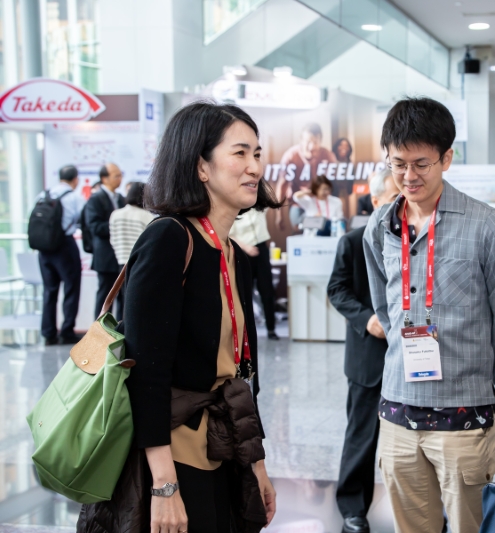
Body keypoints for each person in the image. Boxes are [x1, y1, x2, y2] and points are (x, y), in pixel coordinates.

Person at [79, 102, 279, 533]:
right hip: (175, 456)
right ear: (201, 167)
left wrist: (256, 463)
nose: (254, 167)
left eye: (257, 154)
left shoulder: (232, 254)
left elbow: (241, 375)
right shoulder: (169, 239)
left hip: (224, 447)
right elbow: (145, 373)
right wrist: (164, 485)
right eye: (240, 153)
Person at [363, 97, 495, 533]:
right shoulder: (380, 226)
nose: (408, 176)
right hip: (397, 412)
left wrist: (474, 375)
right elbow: (384, 308)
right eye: (398, 164)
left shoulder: (486, 225)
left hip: (463, 414)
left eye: (421, 164)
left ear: (446, 158)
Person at [327, 170, 400, 533]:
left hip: (412, 359)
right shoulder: (353, 242)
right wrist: (367, 319)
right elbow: (337, 289)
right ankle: (353, 508)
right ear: (375, 201)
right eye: (394, 197)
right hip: (369, 357)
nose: (402, 204)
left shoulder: (419, 242)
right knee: (362, 436)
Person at [37, 165, 84, 345]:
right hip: (65, 245)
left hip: (44, 248)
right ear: (75, 179)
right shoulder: (73, 197)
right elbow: (81, 219)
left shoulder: (44, 195)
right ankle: (66, 331)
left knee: (49, 290)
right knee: (71, 288)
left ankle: (48, 333)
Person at [230, 204, 280, 341]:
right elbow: (229, 235)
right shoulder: (234, 210)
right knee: (245, 294)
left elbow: (273, 200)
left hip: (261, 250)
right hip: (243, 251)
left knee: (267, 292)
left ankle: (271, 329)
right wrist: (246, 248)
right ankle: (245, 331)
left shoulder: (259, 207)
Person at [84, 163, 126, 319]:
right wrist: (117, 225)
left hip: (122, 255)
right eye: (116, 176)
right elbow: (94, 226)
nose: (119, 179)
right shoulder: (95, 199)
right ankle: (99, 330)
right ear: (104, 178)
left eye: (120, 175)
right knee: (105, 297)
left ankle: (120, 329)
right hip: (105, 256)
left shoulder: (121, 198)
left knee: (123, 297)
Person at [275, 123, 337, 228]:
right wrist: (279, 215)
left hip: (320, 202)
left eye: (315, 142)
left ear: (320, 141)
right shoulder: (291, 156)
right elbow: (282, 186)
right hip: (298, 202)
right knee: (298, 229)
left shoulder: (328, 156)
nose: (311, 147)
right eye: (308, 142)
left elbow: (332, 185)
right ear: (301, 140)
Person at [109, 182, 155, 265]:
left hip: (120, 260)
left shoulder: (115, 214)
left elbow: (113, 240)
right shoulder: (147, 216)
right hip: (140, 262)